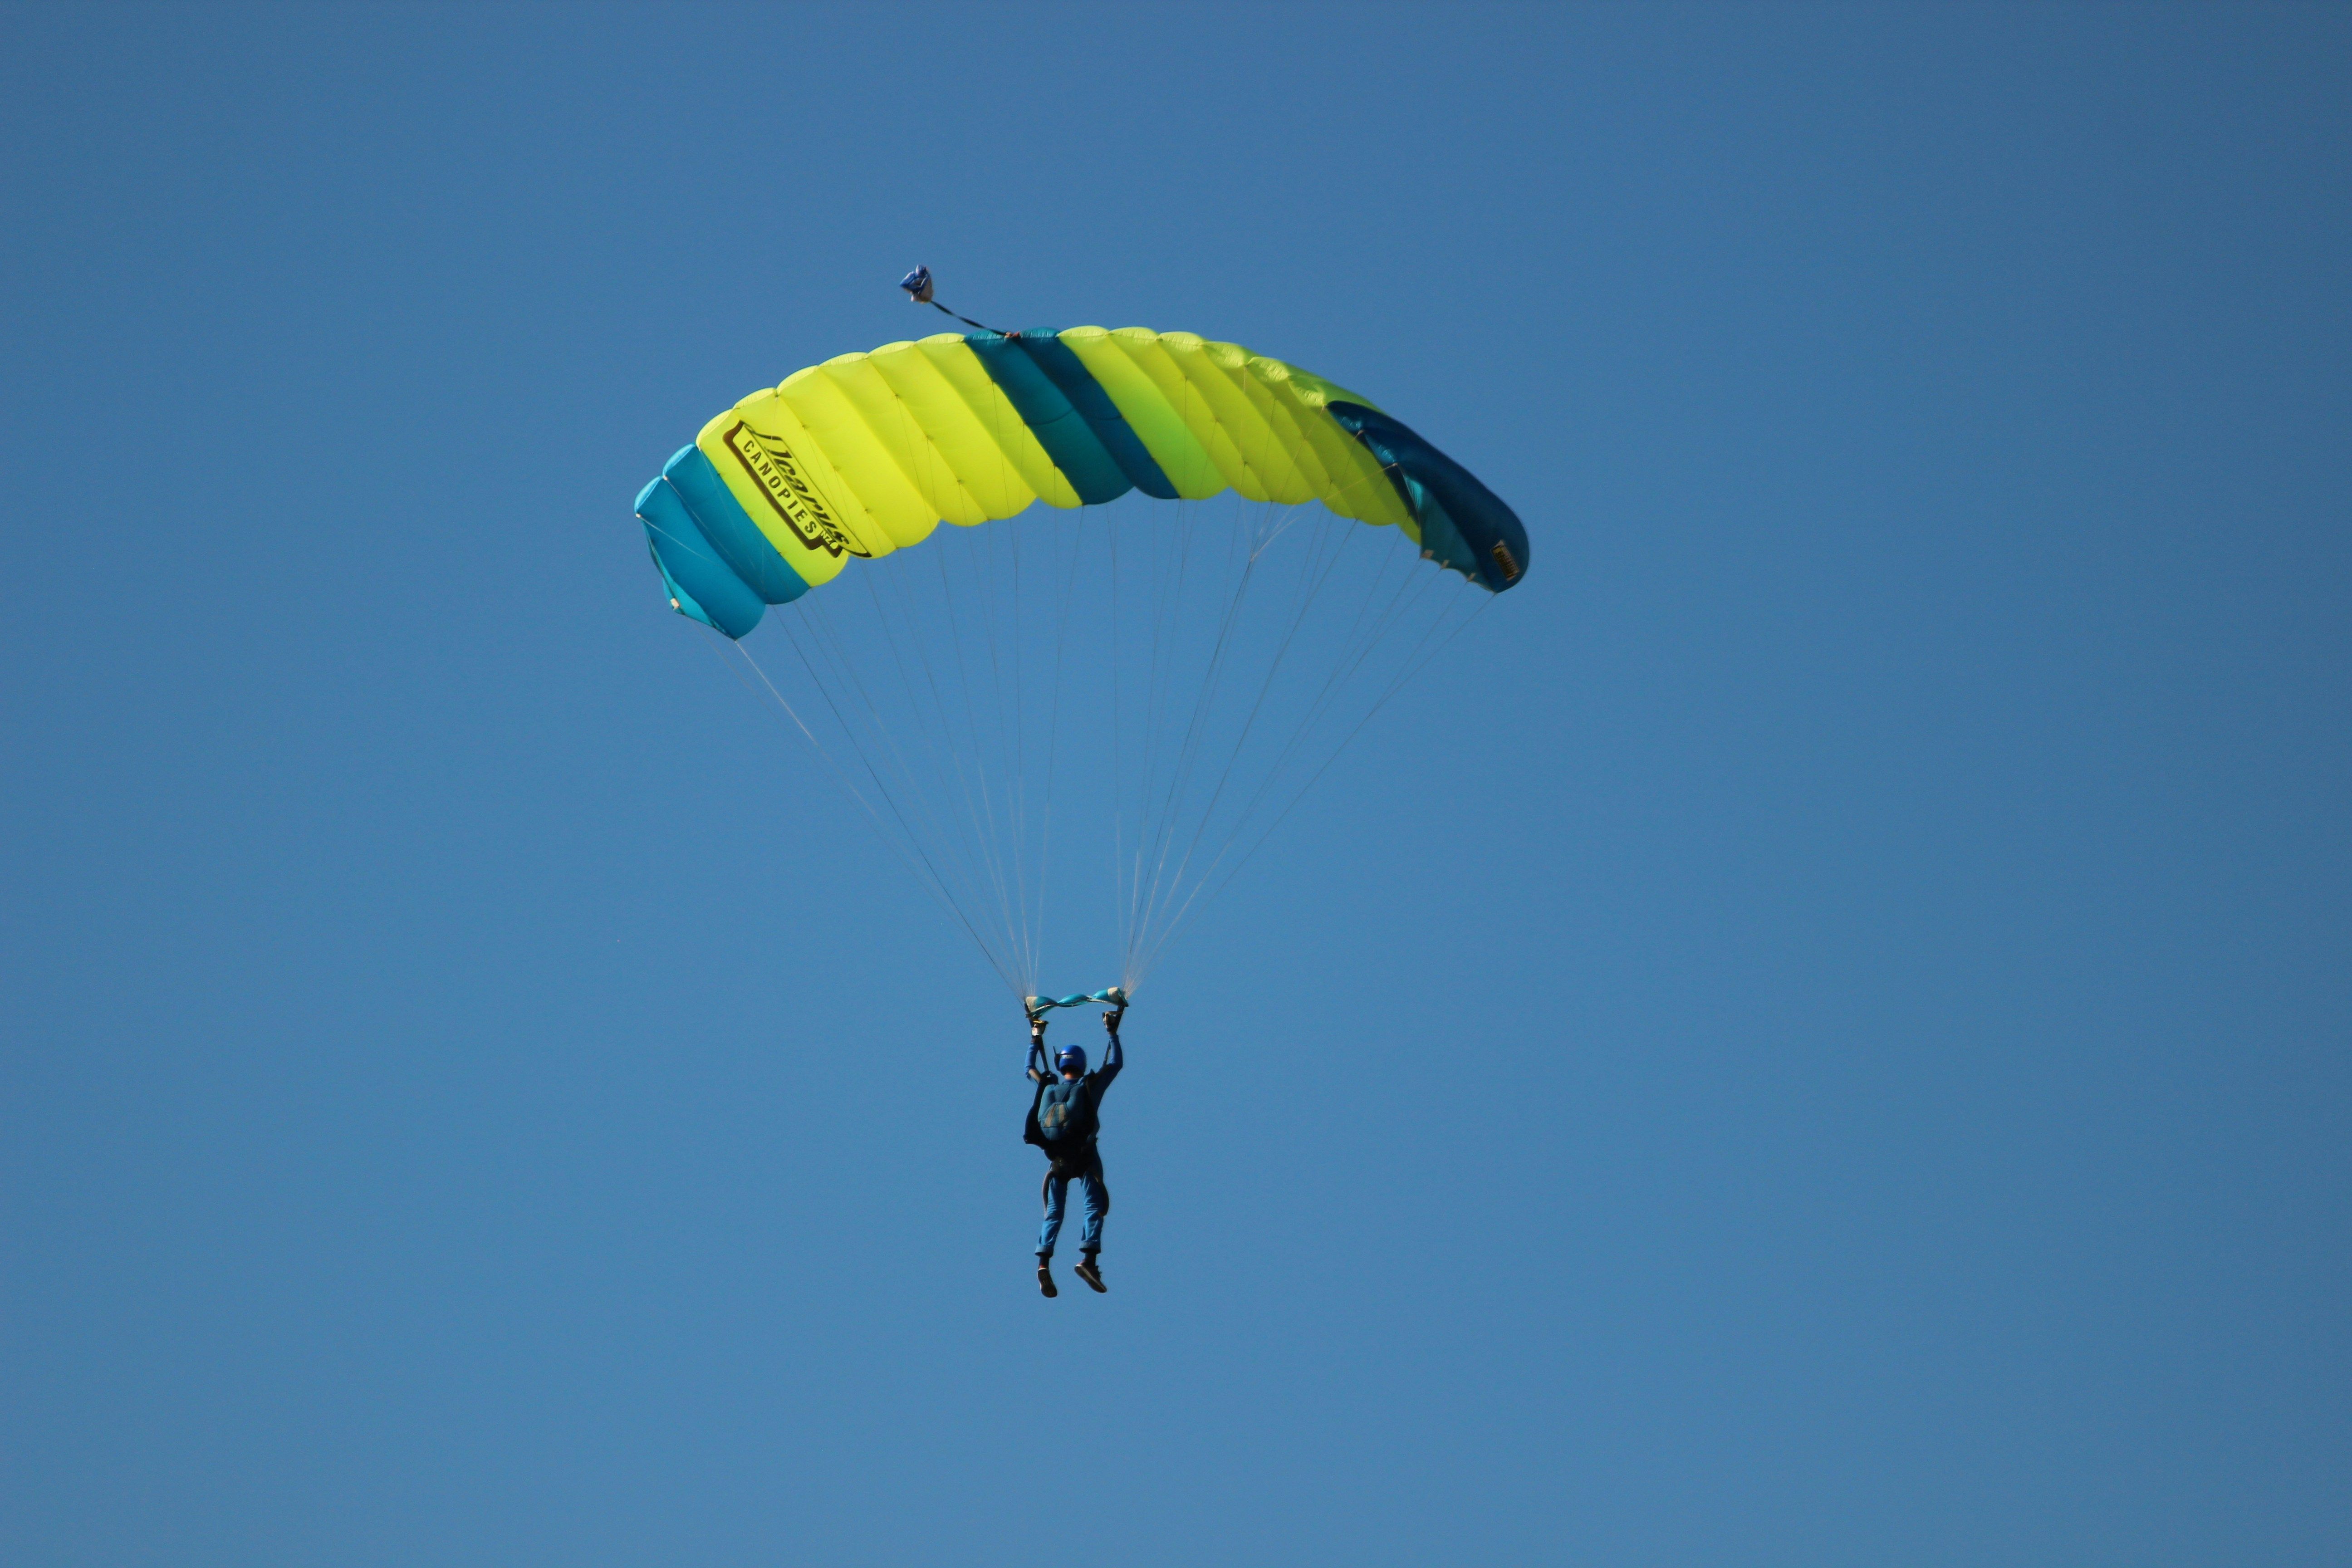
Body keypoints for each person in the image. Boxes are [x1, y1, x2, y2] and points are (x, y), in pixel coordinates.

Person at [1024, 1004, 1123, 1296]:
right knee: (1094, 1206)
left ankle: (1043, 1264)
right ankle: (1089, 1261)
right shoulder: (1090, 1086)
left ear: (1060, 1064)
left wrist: (1034, 1038)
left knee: (1053, 1213)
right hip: (1085, 1155)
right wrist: (1112, 1033)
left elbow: (1028, 1068)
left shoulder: (1046, 1085)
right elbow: (1115, 1064)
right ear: (1081, 1064)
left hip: (1057, 1160)